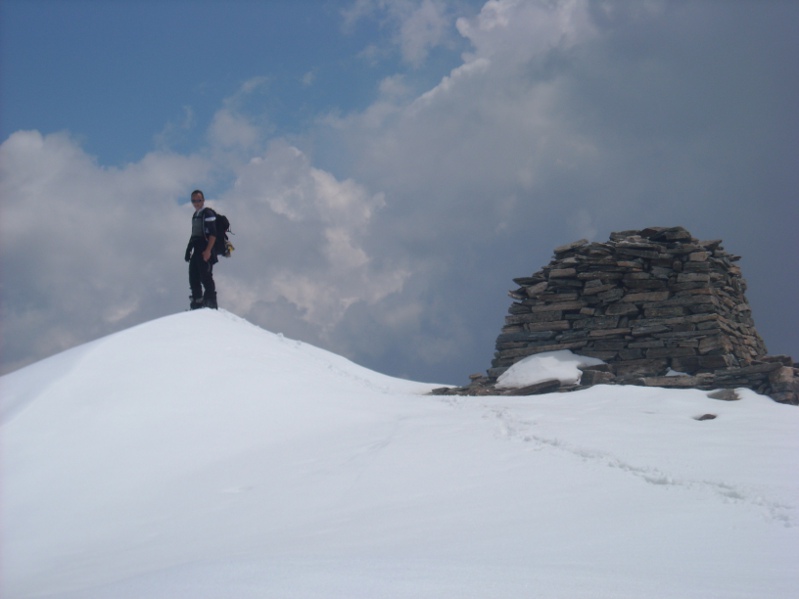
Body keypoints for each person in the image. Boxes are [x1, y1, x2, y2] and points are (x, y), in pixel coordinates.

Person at [185, 189, 218, 309]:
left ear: (203, 200)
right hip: (196, 248)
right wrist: (188, 250)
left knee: (205, 275)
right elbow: (194, 234)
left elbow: (213, 234)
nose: (196, 203)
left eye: (198, 200)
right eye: (193, 200)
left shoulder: (207, 213)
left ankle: (211, 302)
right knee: (193, 275)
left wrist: (208, 250)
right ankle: (197, 300)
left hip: (205, 247)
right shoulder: (196, 215)